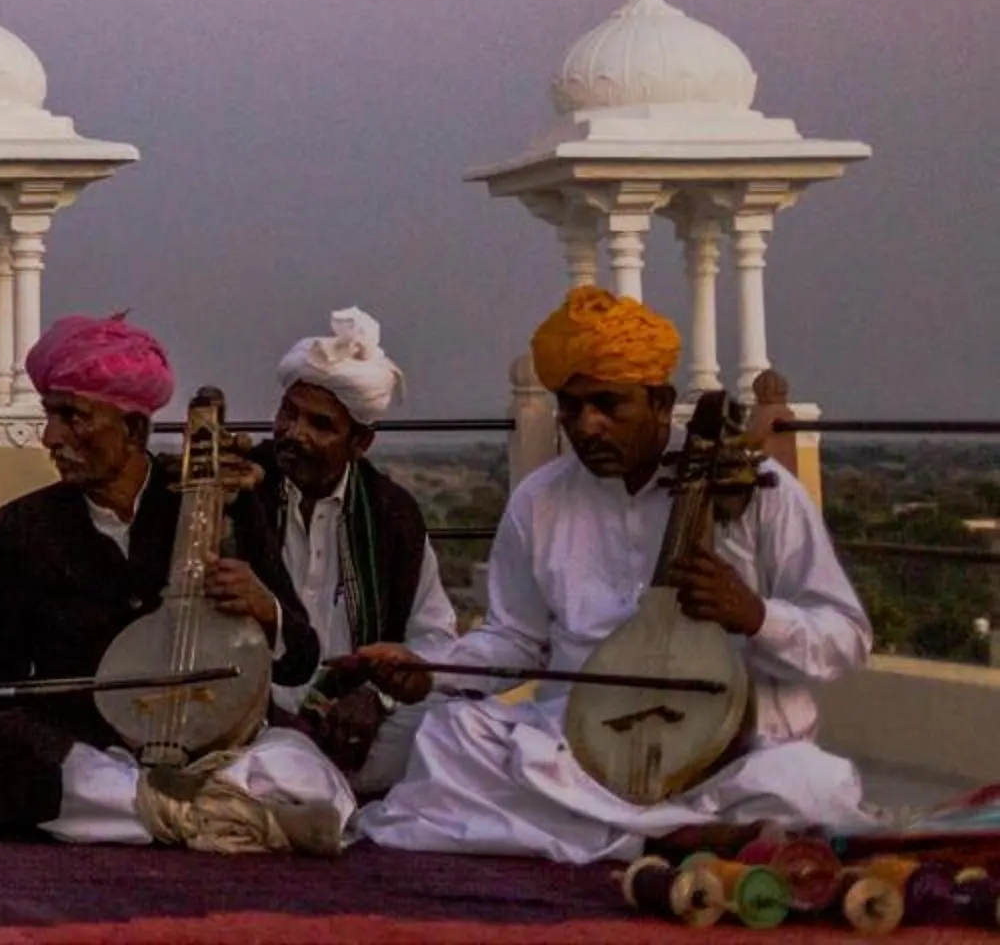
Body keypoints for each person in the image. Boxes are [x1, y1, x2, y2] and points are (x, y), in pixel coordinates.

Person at [351, 286, 873, 863]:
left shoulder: (761, 492)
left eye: (608, 404)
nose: (586, 426)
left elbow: (846, 638)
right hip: (577, 747)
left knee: (807, 783)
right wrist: (433, 672)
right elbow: (515, 639)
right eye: (570, 409)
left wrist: (756, 617)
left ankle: (620, 835)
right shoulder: (540, 500)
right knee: (451, 740)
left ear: (660, 401)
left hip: (731, 751)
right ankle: (665, 838)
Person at [0, 312, 352, 853]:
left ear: (134, 430)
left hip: (219, 742)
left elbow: (299, 656)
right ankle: (217, 818)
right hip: (94, 747)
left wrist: (266, 609)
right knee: (3, 756)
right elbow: (0, 663)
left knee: (304, 773)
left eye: (74, 418)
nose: (51, 437)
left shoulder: (224, 497)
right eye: (50, 415)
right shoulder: (23, 526)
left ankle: (170, 816)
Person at [259, 308, 458, 796]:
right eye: (289, 413)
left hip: (354, 720)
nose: (293, 433)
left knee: (454, 728)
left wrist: (377, 697)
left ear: (360, 441)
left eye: (319, 424)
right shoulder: (241, 491)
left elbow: (433, 640)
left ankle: (307, 791)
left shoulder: (392, 514)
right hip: (255, 712)